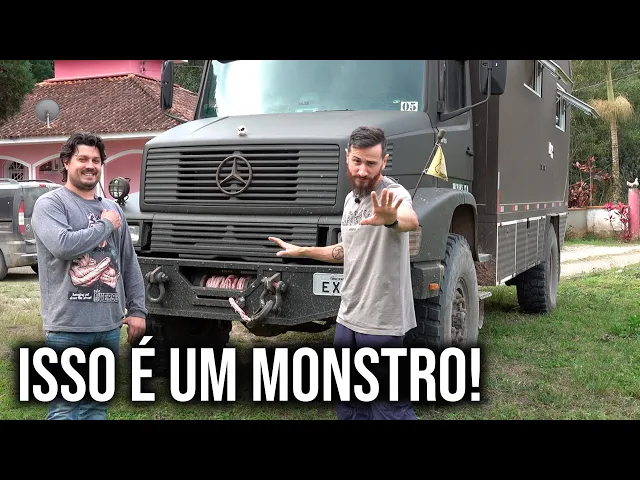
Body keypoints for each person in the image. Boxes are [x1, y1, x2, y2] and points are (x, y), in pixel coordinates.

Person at [268, 125, 420, 420]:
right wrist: (302, 251)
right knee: (349, 403)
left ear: (384, 161)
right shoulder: (352, 200)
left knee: (389, 408)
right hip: (348, 316)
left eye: (371, 163)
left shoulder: (392, 194)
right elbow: (347, 251)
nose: (363, 170)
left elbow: (409, 220)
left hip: (381, 321)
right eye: (357, 161)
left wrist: (391, 219)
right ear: (348, 156)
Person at [31, 132, 147, 420]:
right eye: (82, 159)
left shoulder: (113, 208)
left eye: (96, 160)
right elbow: (63, 246)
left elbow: (128, 262)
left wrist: (138, 310)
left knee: (96, 407)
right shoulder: (51, 205)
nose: (90, 166)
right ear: (66, 163)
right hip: (67, 327)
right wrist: (105, 226)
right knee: (64, 409)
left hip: (108, 326)